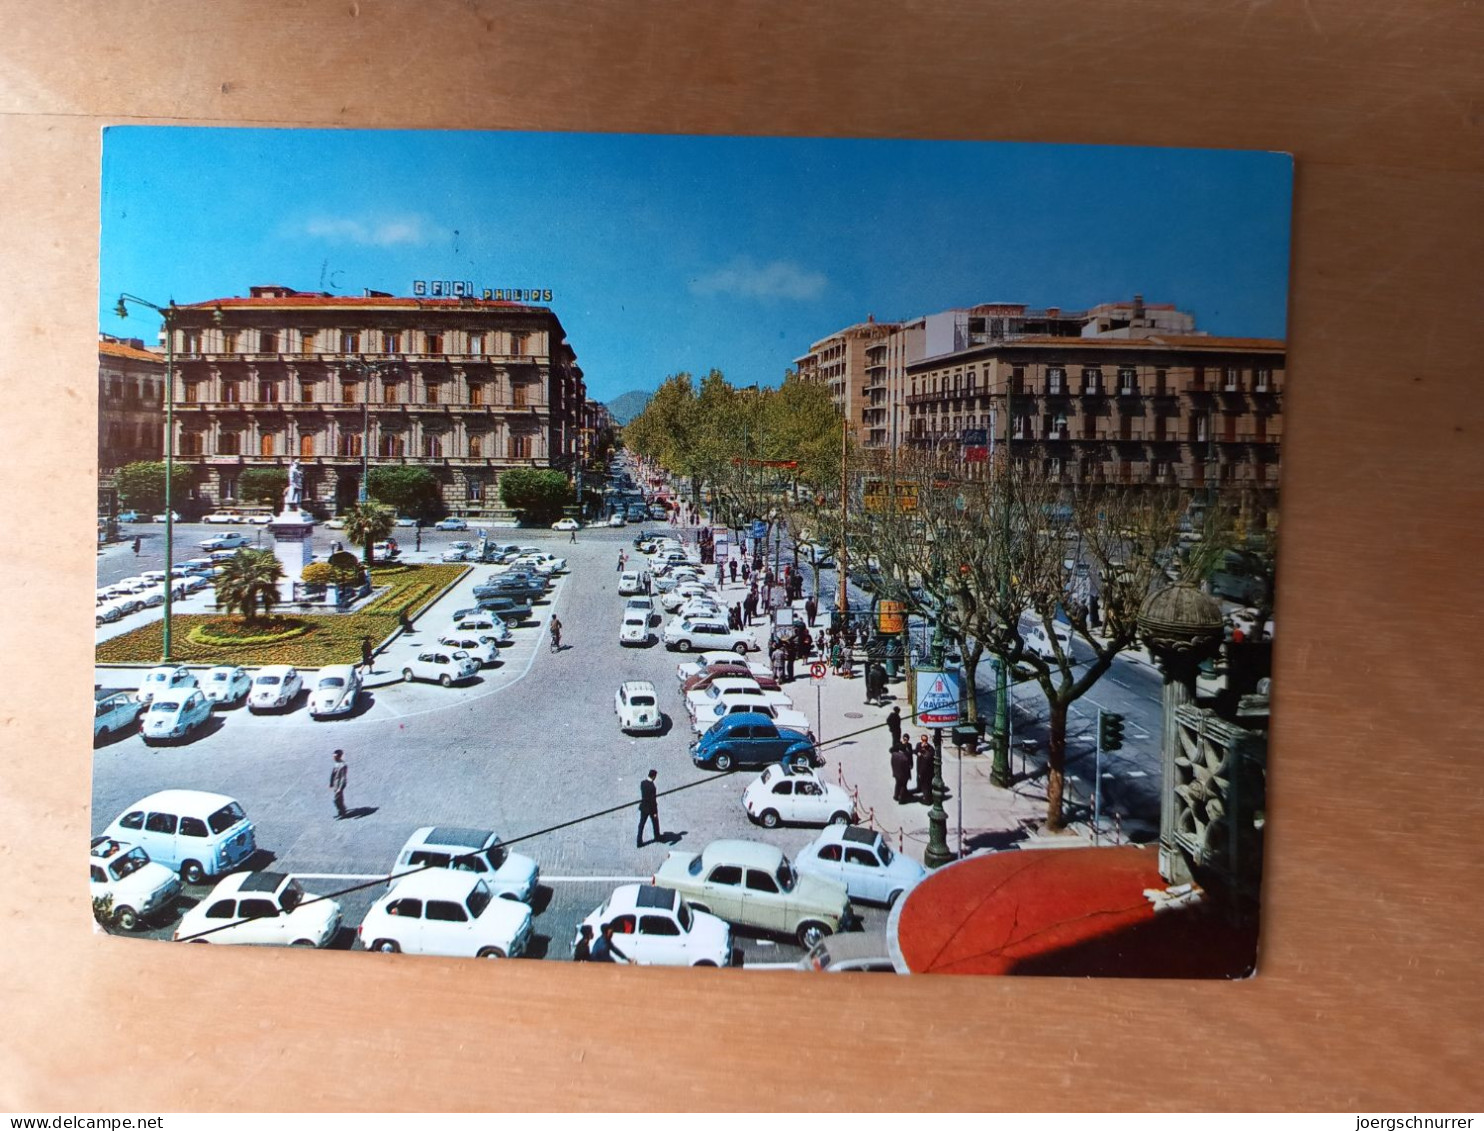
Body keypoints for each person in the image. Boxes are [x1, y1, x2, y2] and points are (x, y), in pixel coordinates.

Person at [636, 769, 660, 847]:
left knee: (641, 824)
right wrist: (655, 812)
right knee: (655, 823)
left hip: (644, 807)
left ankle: (639, 841)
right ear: (653, 776)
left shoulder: (642, 783)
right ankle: (657, 837)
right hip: (651, 809)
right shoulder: (652, 787)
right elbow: (653, 800)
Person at [329, 749, 349, 819]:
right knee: (339, 798)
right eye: (333, 756)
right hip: (336, 783)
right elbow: (333, 774)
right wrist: (331, 782)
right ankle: (341, 811)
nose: (333, 757)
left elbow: (343, 777)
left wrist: (340, 788)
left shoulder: (343, 765)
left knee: (336, 799)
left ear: (339, 756)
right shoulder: (336, 763)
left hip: (340, 783)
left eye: (335, 756)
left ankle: (343, 812)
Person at [915, 736, 934, 802]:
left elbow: (931, 757)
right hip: (919, 766)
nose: (924, 741)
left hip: (927, 770)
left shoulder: (930, 748)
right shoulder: (918, 745)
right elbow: (915, 751)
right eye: (923, 740)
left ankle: (927, 797)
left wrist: (925, 750)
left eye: (925, 740)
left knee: (926, 784)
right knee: (919, 778)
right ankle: (919, 788)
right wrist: (918, 752)